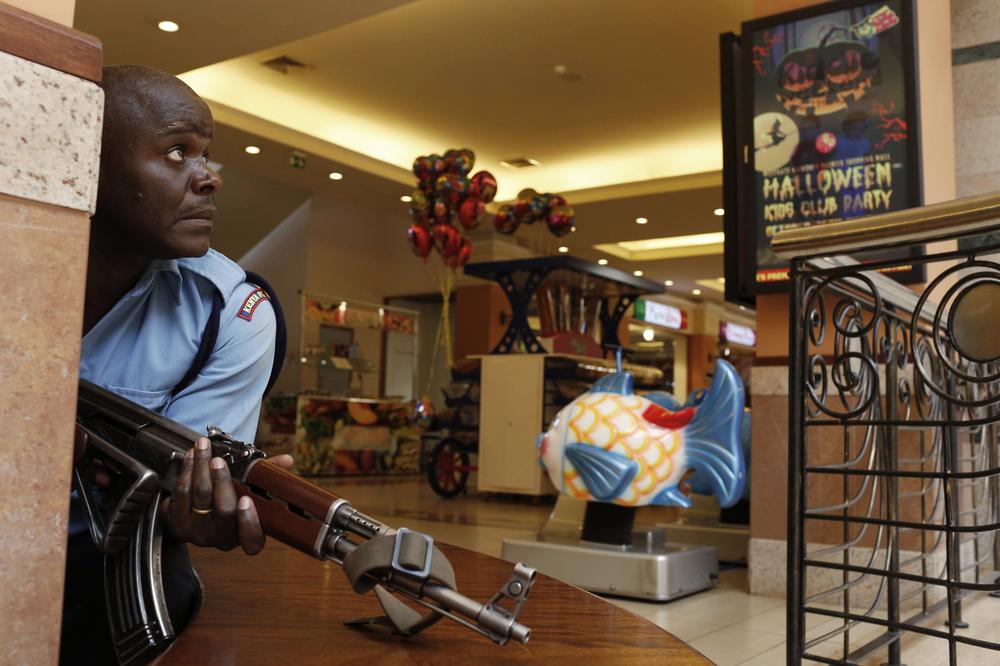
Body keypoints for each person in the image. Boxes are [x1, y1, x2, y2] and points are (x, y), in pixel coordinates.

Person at [63, 64, 291, 665]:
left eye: (206, 154)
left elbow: (187, 491)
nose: (209, 178)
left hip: (108, 596)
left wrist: (190, 511)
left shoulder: (235, 312)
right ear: (89, 160)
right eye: (175, 152)